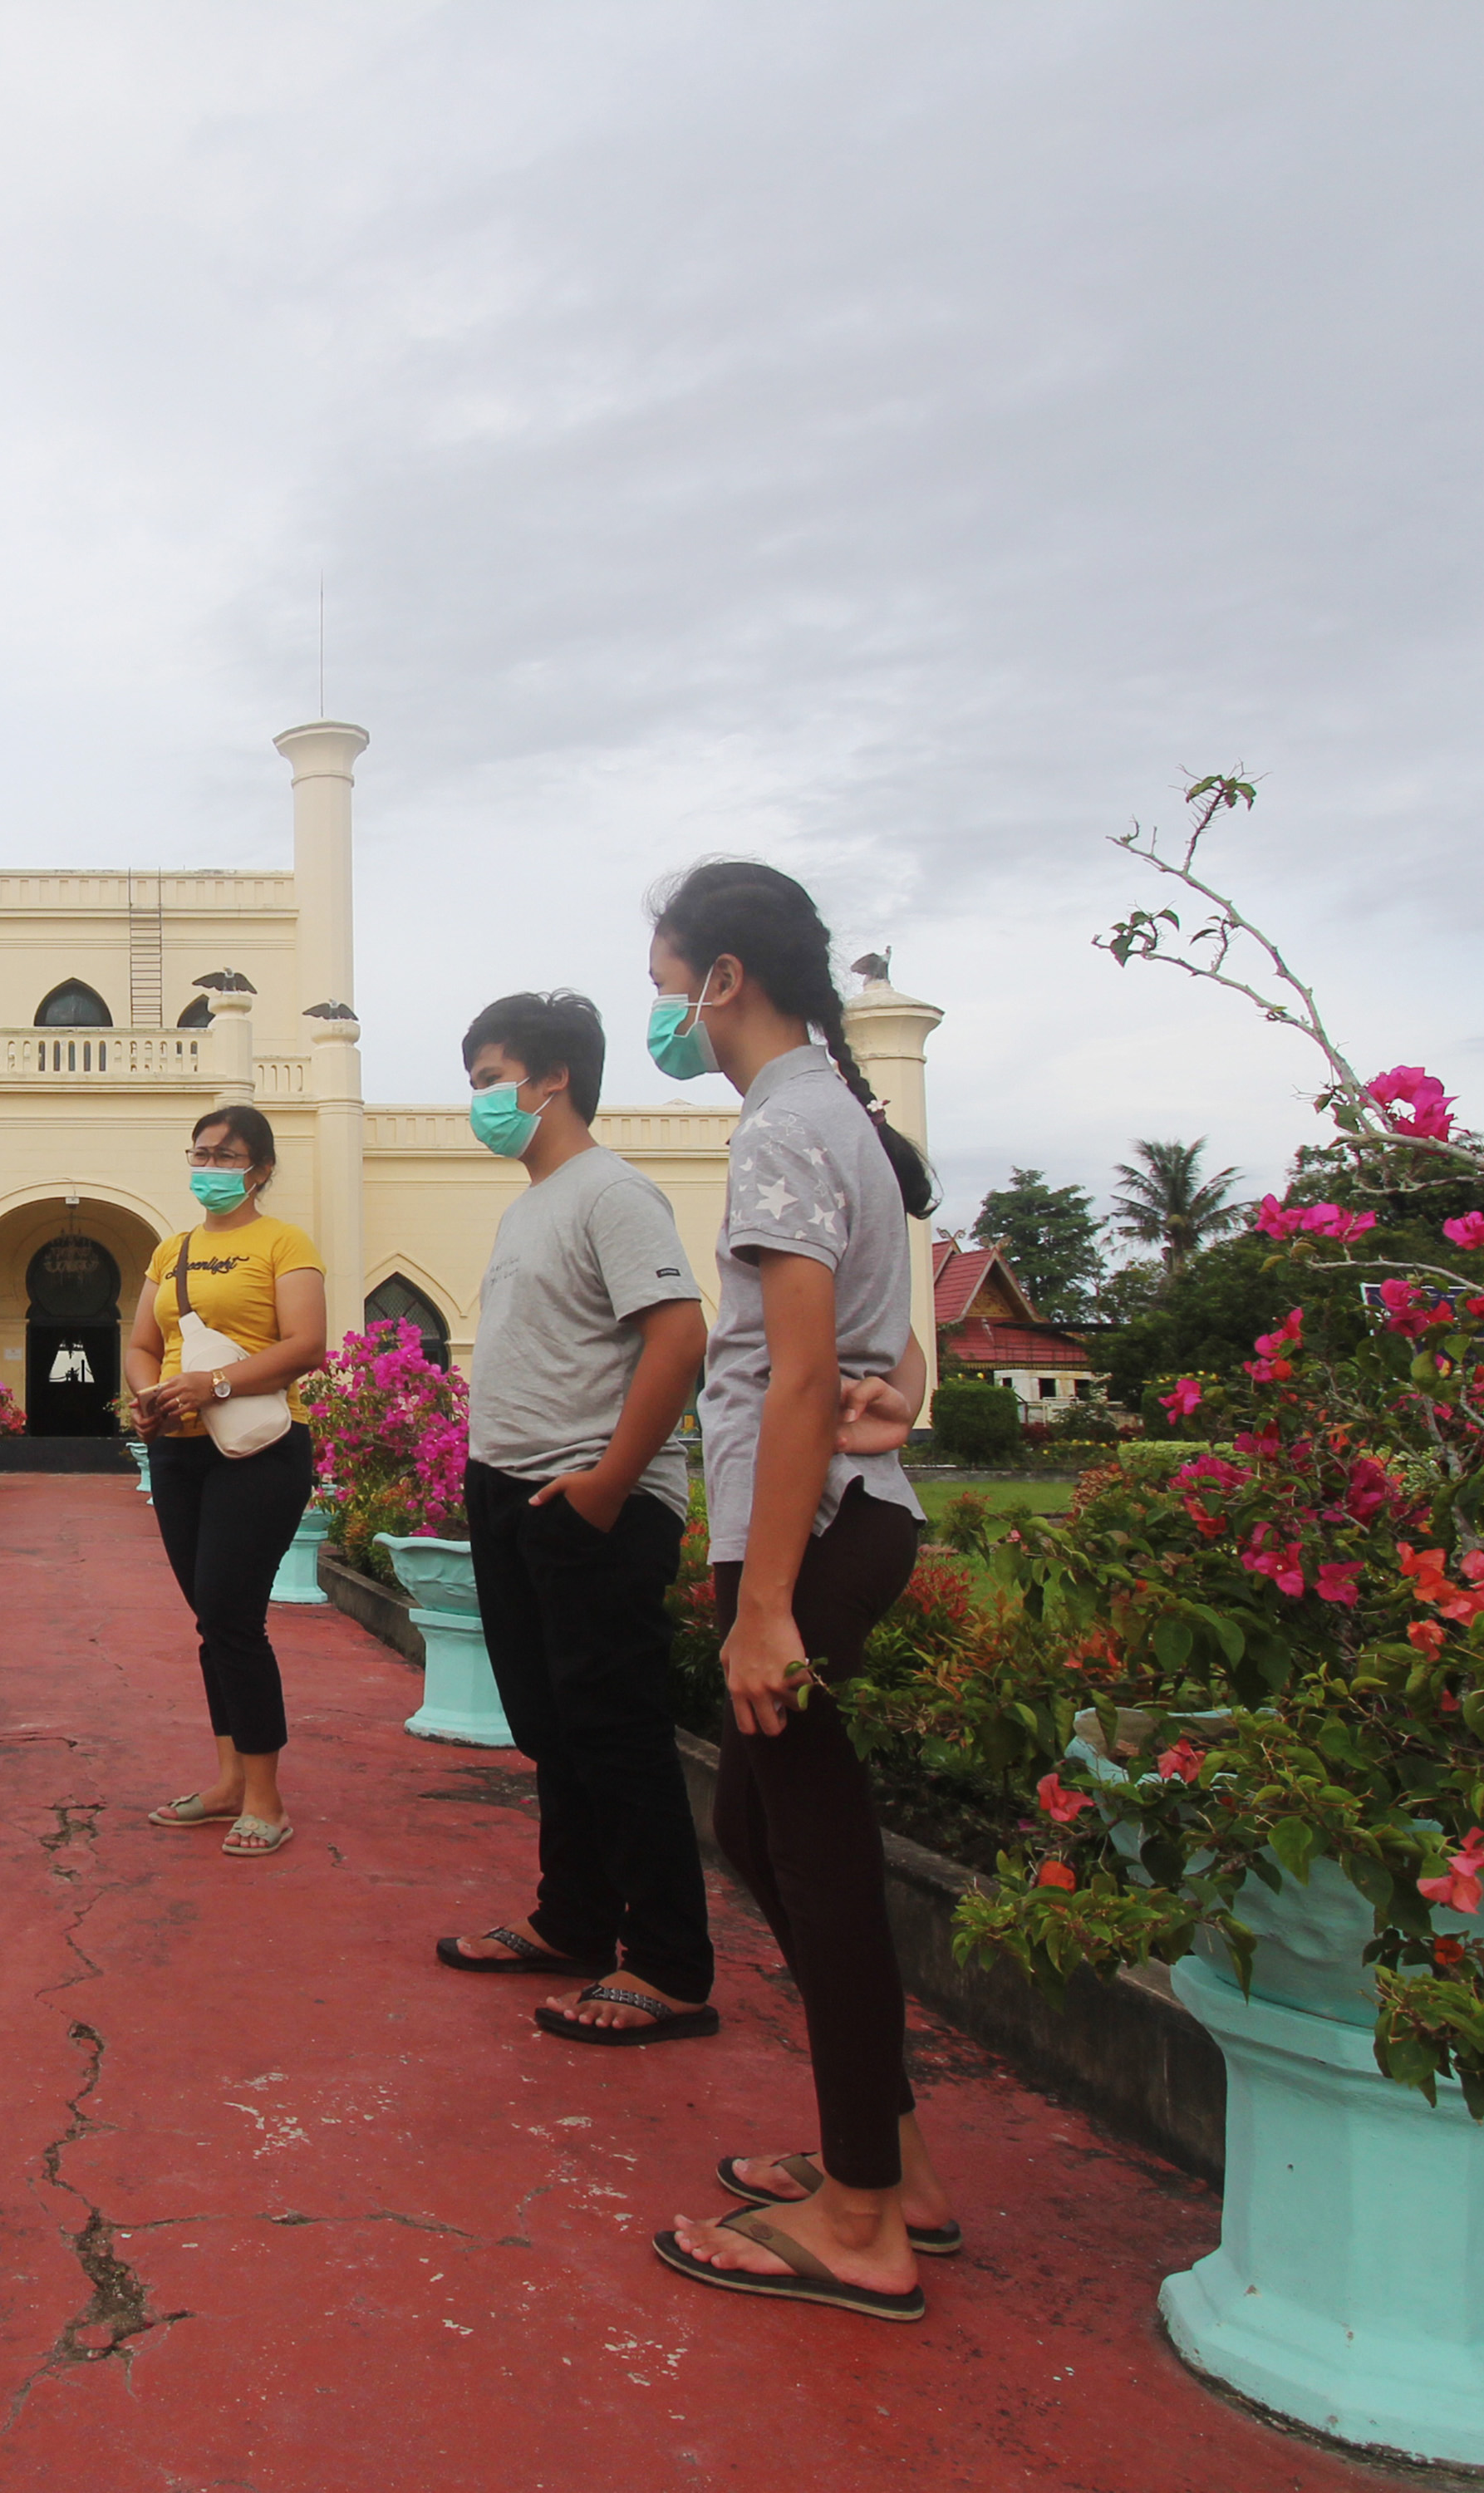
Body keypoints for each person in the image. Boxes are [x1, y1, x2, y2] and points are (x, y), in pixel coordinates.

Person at [639, 859, 961, 2324]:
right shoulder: (840, 1117)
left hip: (810, 1536)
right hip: (841, 1517)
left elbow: (804, 1370)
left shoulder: (786, 1130)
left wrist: (762, 1605)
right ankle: (885, 2153)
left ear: (723, 978)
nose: (667, 1015)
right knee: (759, 1824)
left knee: (813, 1846)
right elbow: (866, 1370)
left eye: (668, 982)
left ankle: (864, 2220)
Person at [432, 992, 723, 2043]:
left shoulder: (613, 1192)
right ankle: (574, 1920)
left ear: (550, 1080)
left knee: (617, 1733)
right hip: (516, 1488)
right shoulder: (530, 1203)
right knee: (555, 1730)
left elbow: (678, 1338)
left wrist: (605, 1484)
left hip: (590, 1496)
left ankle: (670, 1967)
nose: (479, 1102)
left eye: (487, 1078)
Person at [123, 1104, 329, 1859]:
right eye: (200, 1153)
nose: (209, 1167)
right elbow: (144, 1342)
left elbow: (308, 1343)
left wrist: (213, 1384)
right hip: (179, 1452)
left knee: (234, 1617)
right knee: (211, 1619)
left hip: (259, 1448)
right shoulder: (169, 1250)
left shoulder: (284, 1242)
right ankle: (227, 1781)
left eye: (225, 1155)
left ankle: (266, 1799)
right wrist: (147, 1395)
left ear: (261, 1168)